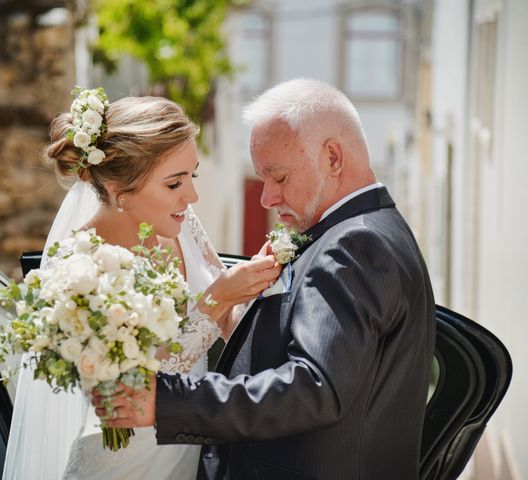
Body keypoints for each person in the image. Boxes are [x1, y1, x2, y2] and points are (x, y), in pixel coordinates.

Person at [94, 78, 436, 479]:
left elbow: (312, 388)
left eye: (279, 177)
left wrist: (167, 402)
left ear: (333, 158)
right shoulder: (357, 232)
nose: (266, 198)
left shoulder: (356, 244)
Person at [2, 89, 281, 479]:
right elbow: (122, 391)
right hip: (125, 464)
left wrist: (259, 282)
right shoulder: (78, 264)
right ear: (120, 192)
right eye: (174, 183)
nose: (191, 195)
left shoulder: (184, 224)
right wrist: (215, 300)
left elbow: (230, 319)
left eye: (192, 176)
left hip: (188, 451)